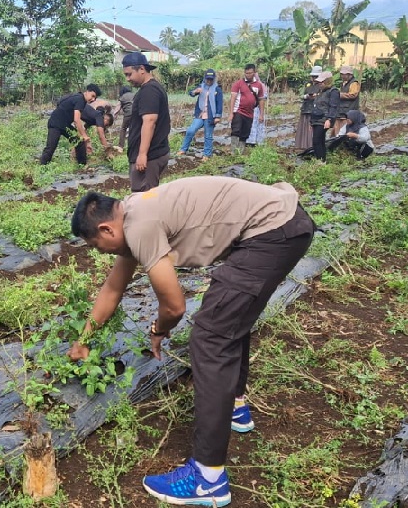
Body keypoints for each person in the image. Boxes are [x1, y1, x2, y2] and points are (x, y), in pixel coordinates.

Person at [68, 176, 315, 507]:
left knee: (211, 337)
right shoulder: (135, 214)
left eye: (96, 248)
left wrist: (158, 329)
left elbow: (174, 305)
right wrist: (84, 340)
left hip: (273, 232)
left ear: (106, 231)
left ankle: (208, 479)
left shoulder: (140, 226)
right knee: (227, 320)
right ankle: (235, 408)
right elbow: (113, 289)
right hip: (282, 224)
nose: (100, 254)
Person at [122, 52, 171, 192]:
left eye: (129, 74)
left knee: (143, 198)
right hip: (152, 154)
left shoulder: (149, 91)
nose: (128, 79)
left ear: (142, 69)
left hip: (149, 157)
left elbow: (149, 121)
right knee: (146, 196)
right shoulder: (151, 88)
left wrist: (142, 154)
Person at [39, 84, 101, 167]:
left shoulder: (78, 98)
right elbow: (76, 119)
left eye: (95, 98)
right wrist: (84, 135)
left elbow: (78, 120)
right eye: (92, 96)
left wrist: (82, 135)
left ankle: (82, 166)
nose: (93, 99)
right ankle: (42, 167)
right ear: (87, 91)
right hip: (55, 123)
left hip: (65, 125)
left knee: (79, 142)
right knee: (50, 148)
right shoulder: (80, 99)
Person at [178, 69, 222, 161]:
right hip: (200, 114)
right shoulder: (201, 86)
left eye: (211, 79)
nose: (209, 81)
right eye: (207, 79)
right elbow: (191, 93)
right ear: (205, 78)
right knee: (191, 130)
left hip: (211, 116)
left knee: (208, 135)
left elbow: (219, 103)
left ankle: (207, 154)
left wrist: (218, 116)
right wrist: (195, 92)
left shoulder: (217, 89)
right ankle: (183, 149)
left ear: (214, 79)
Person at [228, 64, 265, 152]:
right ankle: (233, 151)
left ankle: (240, 152)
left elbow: (261, 100)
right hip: (238, 111)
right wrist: (231, 113)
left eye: (250, 73)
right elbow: (233, 98)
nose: (248, 75)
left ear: (254, 73)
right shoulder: (238, 84)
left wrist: (261, 114)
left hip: (250, 113)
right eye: (246, 73)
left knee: (245, 133)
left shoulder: (258, 85)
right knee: (236, 130)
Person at [309, 71, 339, 163]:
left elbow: (333, 107)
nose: (320, 84)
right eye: (319, 82)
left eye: (321, 82)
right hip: (316, 118)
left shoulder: (333, 91)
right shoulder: (321, 91)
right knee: (320, 140)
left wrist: (329, 119)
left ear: (327, 81)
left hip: (324, 119)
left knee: (316, 141)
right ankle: (322, 161)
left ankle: (320, 162)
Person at [295, 66, 322, 150]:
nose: (314, 78)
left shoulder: (321, 85)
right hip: (306, 107)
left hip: (316, 109)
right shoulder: (307, 84)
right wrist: (306, 96)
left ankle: (312, 145)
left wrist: (316, 96)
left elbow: (324, 96)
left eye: (316, 76)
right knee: (304, 126)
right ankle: (303, 144)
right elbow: (301, 95)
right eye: (313, 76)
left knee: (313, 128)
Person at [335, 65, 361, 134]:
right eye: (341, 74)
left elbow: (353, 95)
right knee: (338, 130)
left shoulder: (354, 83)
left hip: (349, 110)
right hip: (342, 110)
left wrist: (340, 95)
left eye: (343, 74)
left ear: (349, 74)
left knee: (345, 131)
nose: (342, 76)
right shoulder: (344, 83)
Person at [249, 71, 269, 146]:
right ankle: (250, 141)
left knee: (257, 124)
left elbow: (263, 98)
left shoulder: (261, 86)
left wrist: (261, 113)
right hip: (249, 109)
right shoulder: (248, 84)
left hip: (257, 109)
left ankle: (257, 141)